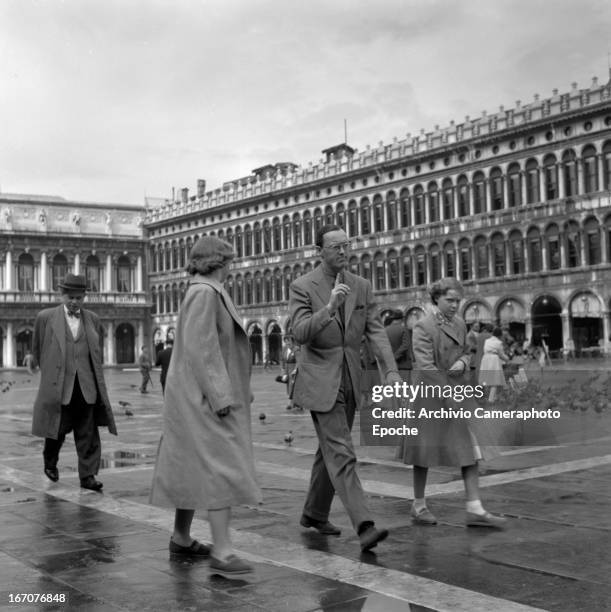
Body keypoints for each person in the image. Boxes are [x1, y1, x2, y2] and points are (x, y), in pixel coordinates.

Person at [150, 236, 261, 576]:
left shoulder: (204, 290)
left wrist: (237, 387)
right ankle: (223, 551)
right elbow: (204, 349)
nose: (232, 266)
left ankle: (181, 537)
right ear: (217, 262)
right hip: (203, 399)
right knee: (220, 466)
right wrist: (222, 396)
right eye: (229, 260)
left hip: (195, 394)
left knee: (190, 464)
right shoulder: (204, 292)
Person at [289, 224, 402, 553]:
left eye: (346, 245)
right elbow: (299, 332)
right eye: (335, 246)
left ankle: (314, 513)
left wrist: (391, 371)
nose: (343, 251)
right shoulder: (302, 286)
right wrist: (329, 310)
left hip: (351, 378)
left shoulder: (361, 286)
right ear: (319, 251)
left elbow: (376, 331)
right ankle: (365, 525)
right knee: (341, 450)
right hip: (320, 380)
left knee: (329, 450)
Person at [397, 278, 506, 529]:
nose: (455, 305)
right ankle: (419, 504)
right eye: (450, 300)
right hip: (431, 394)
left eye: (458, 300)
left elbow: (468, 350)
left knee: (471, 448)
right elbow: (425, 365)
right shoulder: (423, 326)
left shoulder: (459, 323)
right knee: (423, 452)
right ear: (436, 299)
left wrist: (464, 363)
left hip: (457, 389)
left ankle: (475, 508)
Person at [31, 273, 116, 491]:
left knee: (87, 432)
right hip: (60, 385)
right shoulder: (45, 317)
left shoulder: (93, 319)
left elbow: (95, 353)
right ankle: (50, 461)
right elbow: (38, 349)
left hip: (86, 386)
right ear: (61, 294)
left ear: (84, 297)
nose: (74, 301)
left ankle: (87, 476)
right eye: (70, 297)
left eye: (78, 297)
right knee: (57, 428)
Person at [478, 326, 510, 403]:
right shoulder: (499, 343)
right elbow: (501, 354)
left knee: (487, 379)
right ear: (500, 335)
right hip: (494, 360)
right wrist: (507, 359)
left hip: (485, 359)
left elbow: (485, 350)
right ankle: (491, 399)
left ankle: (490, 397)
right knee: (495, 381)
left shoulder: (487, 341)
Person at [384, 309, 413, 382]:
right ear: (402, 319)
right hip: (404, 364)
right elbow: (405, 345)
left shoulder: (385, 330)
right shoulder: (404, 329)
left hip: (390, 366)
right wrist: (395, 356)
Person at [281, 335, 299, 410]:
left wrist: (295, 369)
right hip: (288, 371)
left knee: (294, 387)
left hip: (294, 371)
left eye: (289, 342)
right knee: (289, 387)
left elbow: (299, 361)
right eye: (286, 342)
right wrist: (284, 372)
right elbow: (283, 361)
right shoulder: (285, 350)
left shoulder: (296, 349)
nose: (288, 344)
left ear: (292, 342)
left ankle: (293, 403)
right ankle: (294, 403)